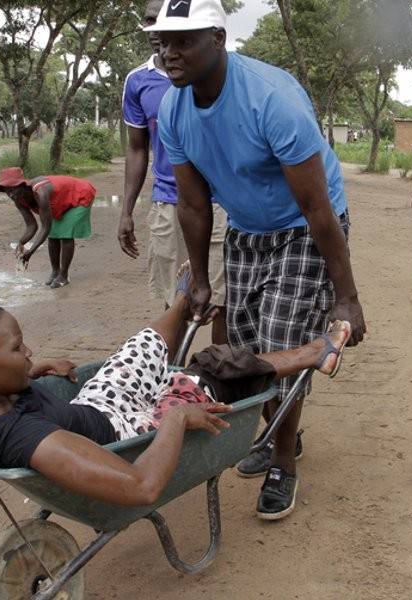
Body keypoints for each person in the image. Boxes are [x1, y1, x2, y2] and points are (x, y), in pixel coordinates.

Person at [147, 0, 366, 520]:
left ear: (218, 40)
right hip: (247, 229)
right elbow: (194, 204)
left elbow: (316, 208)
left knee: (281, 346)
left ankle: (284, 462)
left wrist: (347, 298)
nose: (169, 54)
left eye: (184, 41)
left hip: (303, 230)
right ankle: (277, 429)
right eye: (162, 42)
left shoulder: (272, 98)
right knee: (243, 353)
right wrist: (199, 280)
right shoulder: (173, 109)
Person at [0, 291, 352, 507]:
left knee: (139, 348)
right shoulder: (22, 438)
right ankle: (316, 352)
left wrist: (27, 372)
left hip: (91, 406)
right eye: (18, 348)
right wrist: (177, 419)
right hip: (127, 432)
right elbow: (142, 487)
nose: (28, 351)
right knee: (211, 367)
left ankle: (186, 301)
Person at [119, 0, 229, 344]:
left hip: (219, 203)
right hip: (168, 203)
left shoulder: (218, 72)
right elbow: (137, 148)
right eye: (152, 21)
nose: (159, 31)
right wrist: (126, 210)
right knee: (176, 300)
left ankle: (219, 380)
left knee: (223, 301)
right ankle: (169, 381)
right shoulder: (138, 81)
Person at [0, 167, 95, 288]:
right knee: (53, 236)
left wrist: (31, 251)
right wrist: (21, 243)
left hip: (79, 193)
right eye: (7, 192)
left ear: (22, 185)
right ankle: (55, 272)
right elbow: (32, 226)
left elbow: (45, 227)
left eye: (12, 190)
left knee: (65, 235)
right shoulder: (18, 199)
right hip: (60, 201)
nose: (11, 195)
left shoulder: (40, 192)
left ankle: (63, 276)